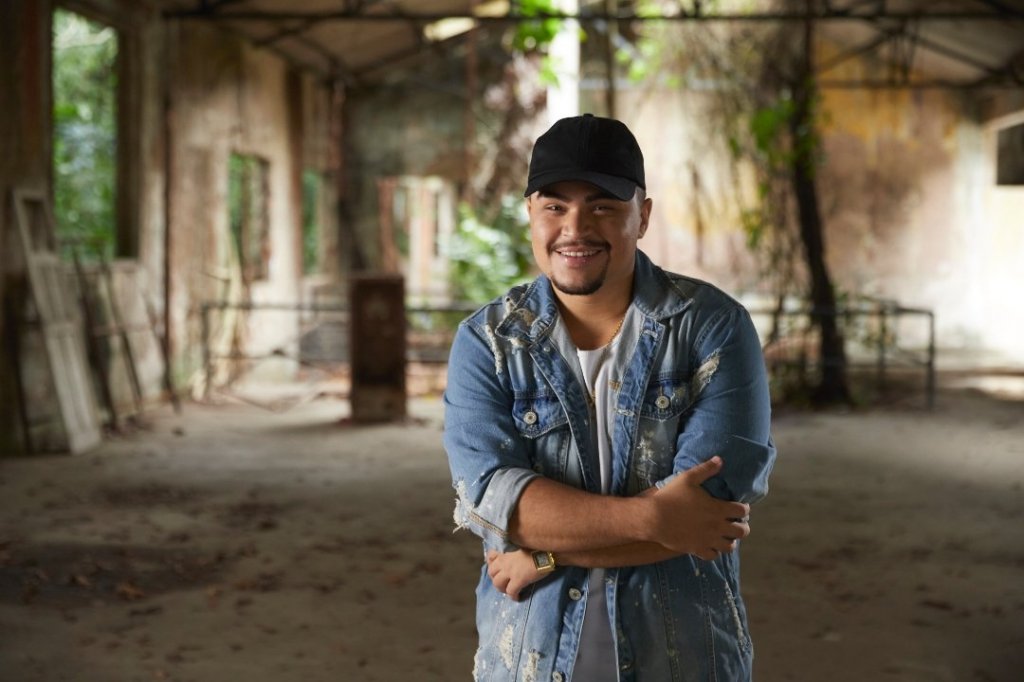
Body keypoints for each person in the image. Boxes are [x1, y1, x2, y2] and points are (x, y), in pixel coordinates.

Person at [443, 113, 776, 682]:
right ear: (530, 213)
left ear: (642, 216)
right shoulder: (487, 342)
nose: (575, 228)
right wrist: (654, 517)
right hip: (528, 660)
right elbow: (499, 504)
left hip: (685, 660)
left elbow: (705, 517)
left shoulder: (713, 328)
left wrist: (545, 552)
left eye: (602, 206)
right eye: (555, 206)